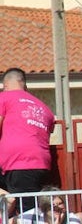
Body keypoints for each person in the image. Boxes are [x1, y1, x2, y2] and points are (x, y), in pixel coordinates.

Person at [0, 67, 54, 196]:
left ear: (5, 85)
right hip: (41, 162)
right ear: (25, 85)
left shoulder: (4, 97)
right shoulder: (44, 108)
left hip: (17, 162)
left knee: (26, 213)